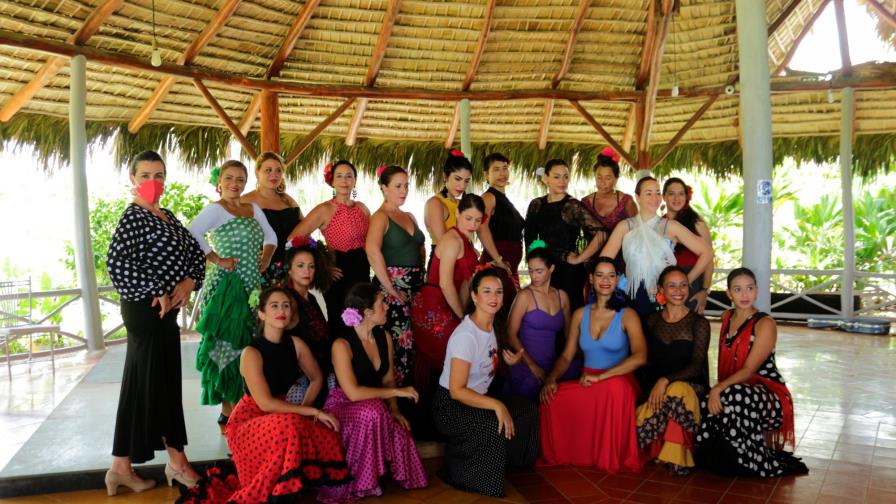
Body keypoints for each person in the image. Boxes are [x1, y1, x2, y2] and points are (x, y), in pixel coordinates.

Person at [179, 287, 351, 503]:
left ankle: (324, 492)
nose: (282, 310)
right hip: (249, 420)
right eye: (274, 305)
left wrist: (305, 412)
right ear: (261, 314)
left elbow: (317, 378)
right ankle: (278, 494)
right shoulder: (251, 352)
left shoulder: (296, 345)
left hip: (284, 413)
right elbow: (266, 404)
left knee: (326, 431)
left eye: (286, 305)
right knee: (289, 425)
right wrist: (311, 410)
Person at [106, 150, 206, 494]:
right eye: (145, 175)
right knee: (160, 384)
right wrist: (158, 289)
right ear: (133, 179)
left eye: (159, 175)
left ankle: (120, 466)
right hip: (145, 310)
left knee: (140, 383)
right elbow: (117, 264)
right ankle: (177, 461)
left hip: (166, 312)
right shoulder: (133, 217)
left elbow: (195, 255)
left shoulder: (167, 215)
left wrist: (190, 281)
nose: (153, 182)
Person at [317, 283, 428, 503]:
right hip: (343, 405)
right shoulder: (342, 345)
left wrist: (395, 409)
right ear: (367, 313)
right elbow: (353, 392)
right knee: (373, 410)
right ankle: (361, 483)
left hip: (375, 404)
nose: (386, 307)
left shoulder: (383, 337)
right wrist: (399, 392)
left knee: (396, 425)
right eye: (381, 303)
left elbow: (387, 379)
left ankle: (379, 475)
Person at [433, 268, 538, 497]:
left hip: (477, 399)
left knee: (526, 410)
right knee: (495, 423)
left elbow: (486, 363)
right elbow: (457, 391)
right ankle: (466, 475)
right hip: (451, 407)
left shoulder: (493, 325)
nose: (494, 298)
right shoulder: (466, 336)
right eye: (487, 291)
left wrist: (510, 360)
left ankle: (506, 464)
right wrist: (497, 405)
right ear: (474, 296)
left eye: (499, 292)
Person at [189, 160, 277, 429]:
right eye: (229, 178)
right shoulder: (216, 210)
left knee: (248, 345)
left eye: (240, 179)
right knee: (226, 345)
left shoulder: (253, 208)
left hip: (252, 287)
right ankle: (228, 411)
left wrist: (264, 259)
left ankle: (245, 405)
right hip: (228, 288)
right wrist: (216, 259)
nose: (234, 184)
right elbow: (192, 232)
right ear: (219, 182)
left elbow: (271, 237)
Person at [695, 268, 809, 477]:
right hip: (735, 388)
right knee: (707, 401)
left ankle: (751, 460)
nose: (745, 295)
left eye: (749, 289)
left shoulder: (765, 323)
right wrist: (718, 390)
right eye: (738, 290)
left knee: (734, 396)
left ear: (757, 291)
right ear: (729, 293)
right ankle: (718, 455)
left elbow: (749, 370)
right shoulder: (727, 317)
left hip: (768, 396)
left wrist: (719, 387)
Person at [539, 257, 646, 473]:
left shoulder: (628, 315)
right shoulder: (580, 314)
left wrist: (601, 377)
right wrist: (551, 379)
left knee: (615, 389)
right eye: (600, 275)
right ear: (591, 279)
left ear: (617, 280)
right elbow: (567, 356)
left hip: (619, 380)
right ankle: (578, 454)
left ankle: (608, 455)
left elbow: (640, 357)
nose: (605, 280)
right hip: (588, 380)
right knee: (551, 399)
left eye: (611, 275)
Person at [594, 176, 711, 319]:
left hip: (663, 293)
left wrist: (687, 279)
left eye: (657, 193)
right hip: (632, 291)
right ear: (637, 197)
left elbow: (707, 252)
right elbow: (604, 261)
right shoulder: (625, 226)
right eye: (648, 193)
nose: (654, 198)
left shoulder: (671, 226)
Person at [635, 266, 710, 475]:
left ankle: (675, 455)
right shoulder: (650, 320)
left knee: (677, 389)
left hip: (691, 386)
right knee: (663, 396)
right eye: (672, 285)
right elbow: (646, 362)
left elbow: (696, 366)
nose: (679, 290)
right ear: (661, 289)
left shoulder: (699, 323)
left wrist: (665, 380)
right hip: (657, 387)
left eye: (683, 285)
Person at [412, 193, 484, 388]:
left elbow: (464, 282)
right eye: (468, 218)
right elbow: (445, 283)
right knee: (457, 352)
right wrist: (462, 316)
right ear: (458, 213)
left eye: (478, 220)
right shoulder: (452, 240)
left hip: (450, 301)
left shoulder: (465, 240)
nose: (473, 225)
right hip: (435, 303)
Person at [289, 160, 371, 333]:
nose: (344, 180)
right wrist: (322, 264)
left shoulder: (363, 208)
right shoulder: (324, 209)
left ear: (355, 180)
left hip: (362, 269)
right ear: (332, 181)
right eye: (339, 176)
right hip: (337, 271)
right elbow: (294, 239)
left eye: (349, 176)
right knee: (340, 322)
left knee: (364, 321)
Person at [365, 165, 426, 386]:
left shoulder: (409, 215)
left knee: (419, 342)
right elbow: (372, 252)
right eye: (398, 186)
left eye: (406, 186)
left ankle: (415, 393)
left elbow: (421, 248)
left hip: (417, 287)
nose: (404, 190)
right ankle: (395, 398)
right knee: (401, 343)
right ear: (384, 188)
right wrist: (391, 290)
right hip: (392, 288)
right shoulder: (380, 217)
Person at [524, 159, 607, 311]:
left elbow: (601, 234)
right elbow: (529, 240)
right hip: (543, 270)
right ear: (545, 178)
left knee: (569, 315)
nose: (562, 181)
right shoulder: (536, 204)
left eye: (566, 176)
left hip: (568, 272)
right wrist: (535, 269)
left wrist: (580, 258)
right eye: (556, 176)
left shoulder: (572, 206)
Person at [504, 246, 581, 400]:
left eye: (539, 271)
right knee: (535, 391)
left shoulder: (562, 296)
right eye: (531, 270)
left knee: (583, 373)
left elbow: (568, 335)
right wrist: (532, 365)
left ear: (551, 268)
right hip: (526, 364)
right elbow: (510, 335)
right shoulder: (524, 296)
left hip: (553, 365)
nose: (533, 275)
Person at [281, 238, 335, 407]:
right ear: (289, 270)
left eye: (311, 266)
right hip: (302, 380)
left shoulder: (310, 297)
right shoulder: (288, 300)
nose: (307, 271)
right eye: (300, 265)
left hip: (322, 370)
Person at [241, 152, 303, 281]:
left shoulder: (287, 199)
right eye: (268, 170)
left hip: (291, 268)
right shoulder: (245, 201)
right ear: (257, 173)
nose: (274, 174)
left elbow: (305, 229)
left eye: (278, 170)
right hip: (260, 269)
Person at [478, 152, 524, 314]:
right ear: (486, 174)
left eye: (505, 168)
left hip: (508, 266)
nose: (502, 173)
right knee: (499, 313)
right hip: (497, 264)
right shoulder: (489, 197)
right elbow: (481, 228)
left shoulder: (504, 199)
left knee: (508, 313)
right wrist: (498, 259)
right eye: (496, 169)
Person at [662, 177, 714, 313]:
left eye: (681, 193)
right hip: (666, 280)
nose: (676, 198)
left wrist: (704, 290)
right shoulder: (661, 222)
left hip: (692, 280)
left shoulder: (696, 222)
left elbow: (709, 258)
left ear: (686, 196)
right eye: (671, 193)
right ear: (664, 196)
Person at [424, 150, 472, 270]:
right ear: (445, 176)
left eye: (466, 181)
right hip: (442, 262)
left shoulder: (462, 204)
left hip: (462, 260)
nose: (462, 186)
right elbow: (444, 243)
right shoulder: (435, 203)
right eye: (457, 179)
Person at [581, 147, 637, 232]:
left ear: (616, 179)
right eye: (599, 177)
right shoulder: (585, 203)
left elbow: (638, 231)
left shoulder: (626, 201)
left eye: (608, 178)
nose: (603, 182)